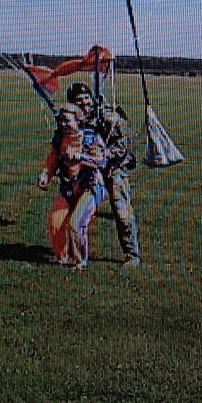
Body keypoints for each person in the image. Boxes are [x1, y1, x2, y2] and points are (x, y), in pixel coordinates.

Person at [65, 82, 141, 266]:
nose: (84, 104)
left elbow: (124, 144)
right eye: (79, 101)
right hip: (90, 173)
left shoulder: (108, 116)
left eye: (86, 99)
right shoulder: (75, 120)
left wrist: (106, 153)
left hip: (114, 169)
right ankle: (73, 252)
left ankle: (132, 256)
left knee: (122, 212)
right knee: (76, 211)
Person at [39, 102, 108, 269]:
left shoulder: (90, 138)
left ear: (78, 121)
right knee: (56, 222)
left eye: (67, 120)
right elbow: (53, 161)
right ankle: (62, 257)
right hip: (69, 188)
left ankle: (80, 261)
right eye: (61, 121)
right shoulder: (60, 141)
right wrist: (45, 175)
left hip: (89, 187)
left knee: (75, 223)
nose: (64, 124)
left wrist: (80, 157)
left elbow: (102, 161)